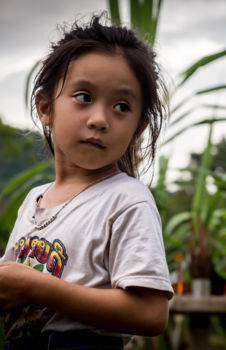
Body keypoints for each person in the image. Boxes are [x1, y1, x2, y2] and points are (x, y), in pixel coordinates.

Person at [0, 13, 173, 350]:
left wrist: (35, 287)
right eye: (83, 97)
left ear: (137, 129)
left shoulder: (125, 199)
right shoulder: (35, 199)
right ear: (46, 107)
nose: (99, 120)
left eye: (121, 106)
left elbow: (151, 314)